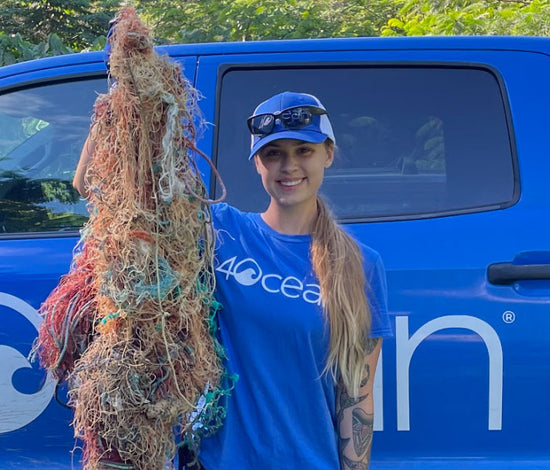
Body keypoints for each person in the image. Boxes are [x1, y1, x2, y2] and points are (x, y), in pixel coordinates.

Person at [73, 90, 392, 470]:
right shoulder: (219, 230)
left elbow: (356, 396)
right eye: (273, 153)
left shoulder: (360, 265)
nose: (289, 166)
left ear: (328, 154)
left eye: (303, 151)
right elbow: (94, 186)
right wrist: (119, 98)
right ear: (257, 162)